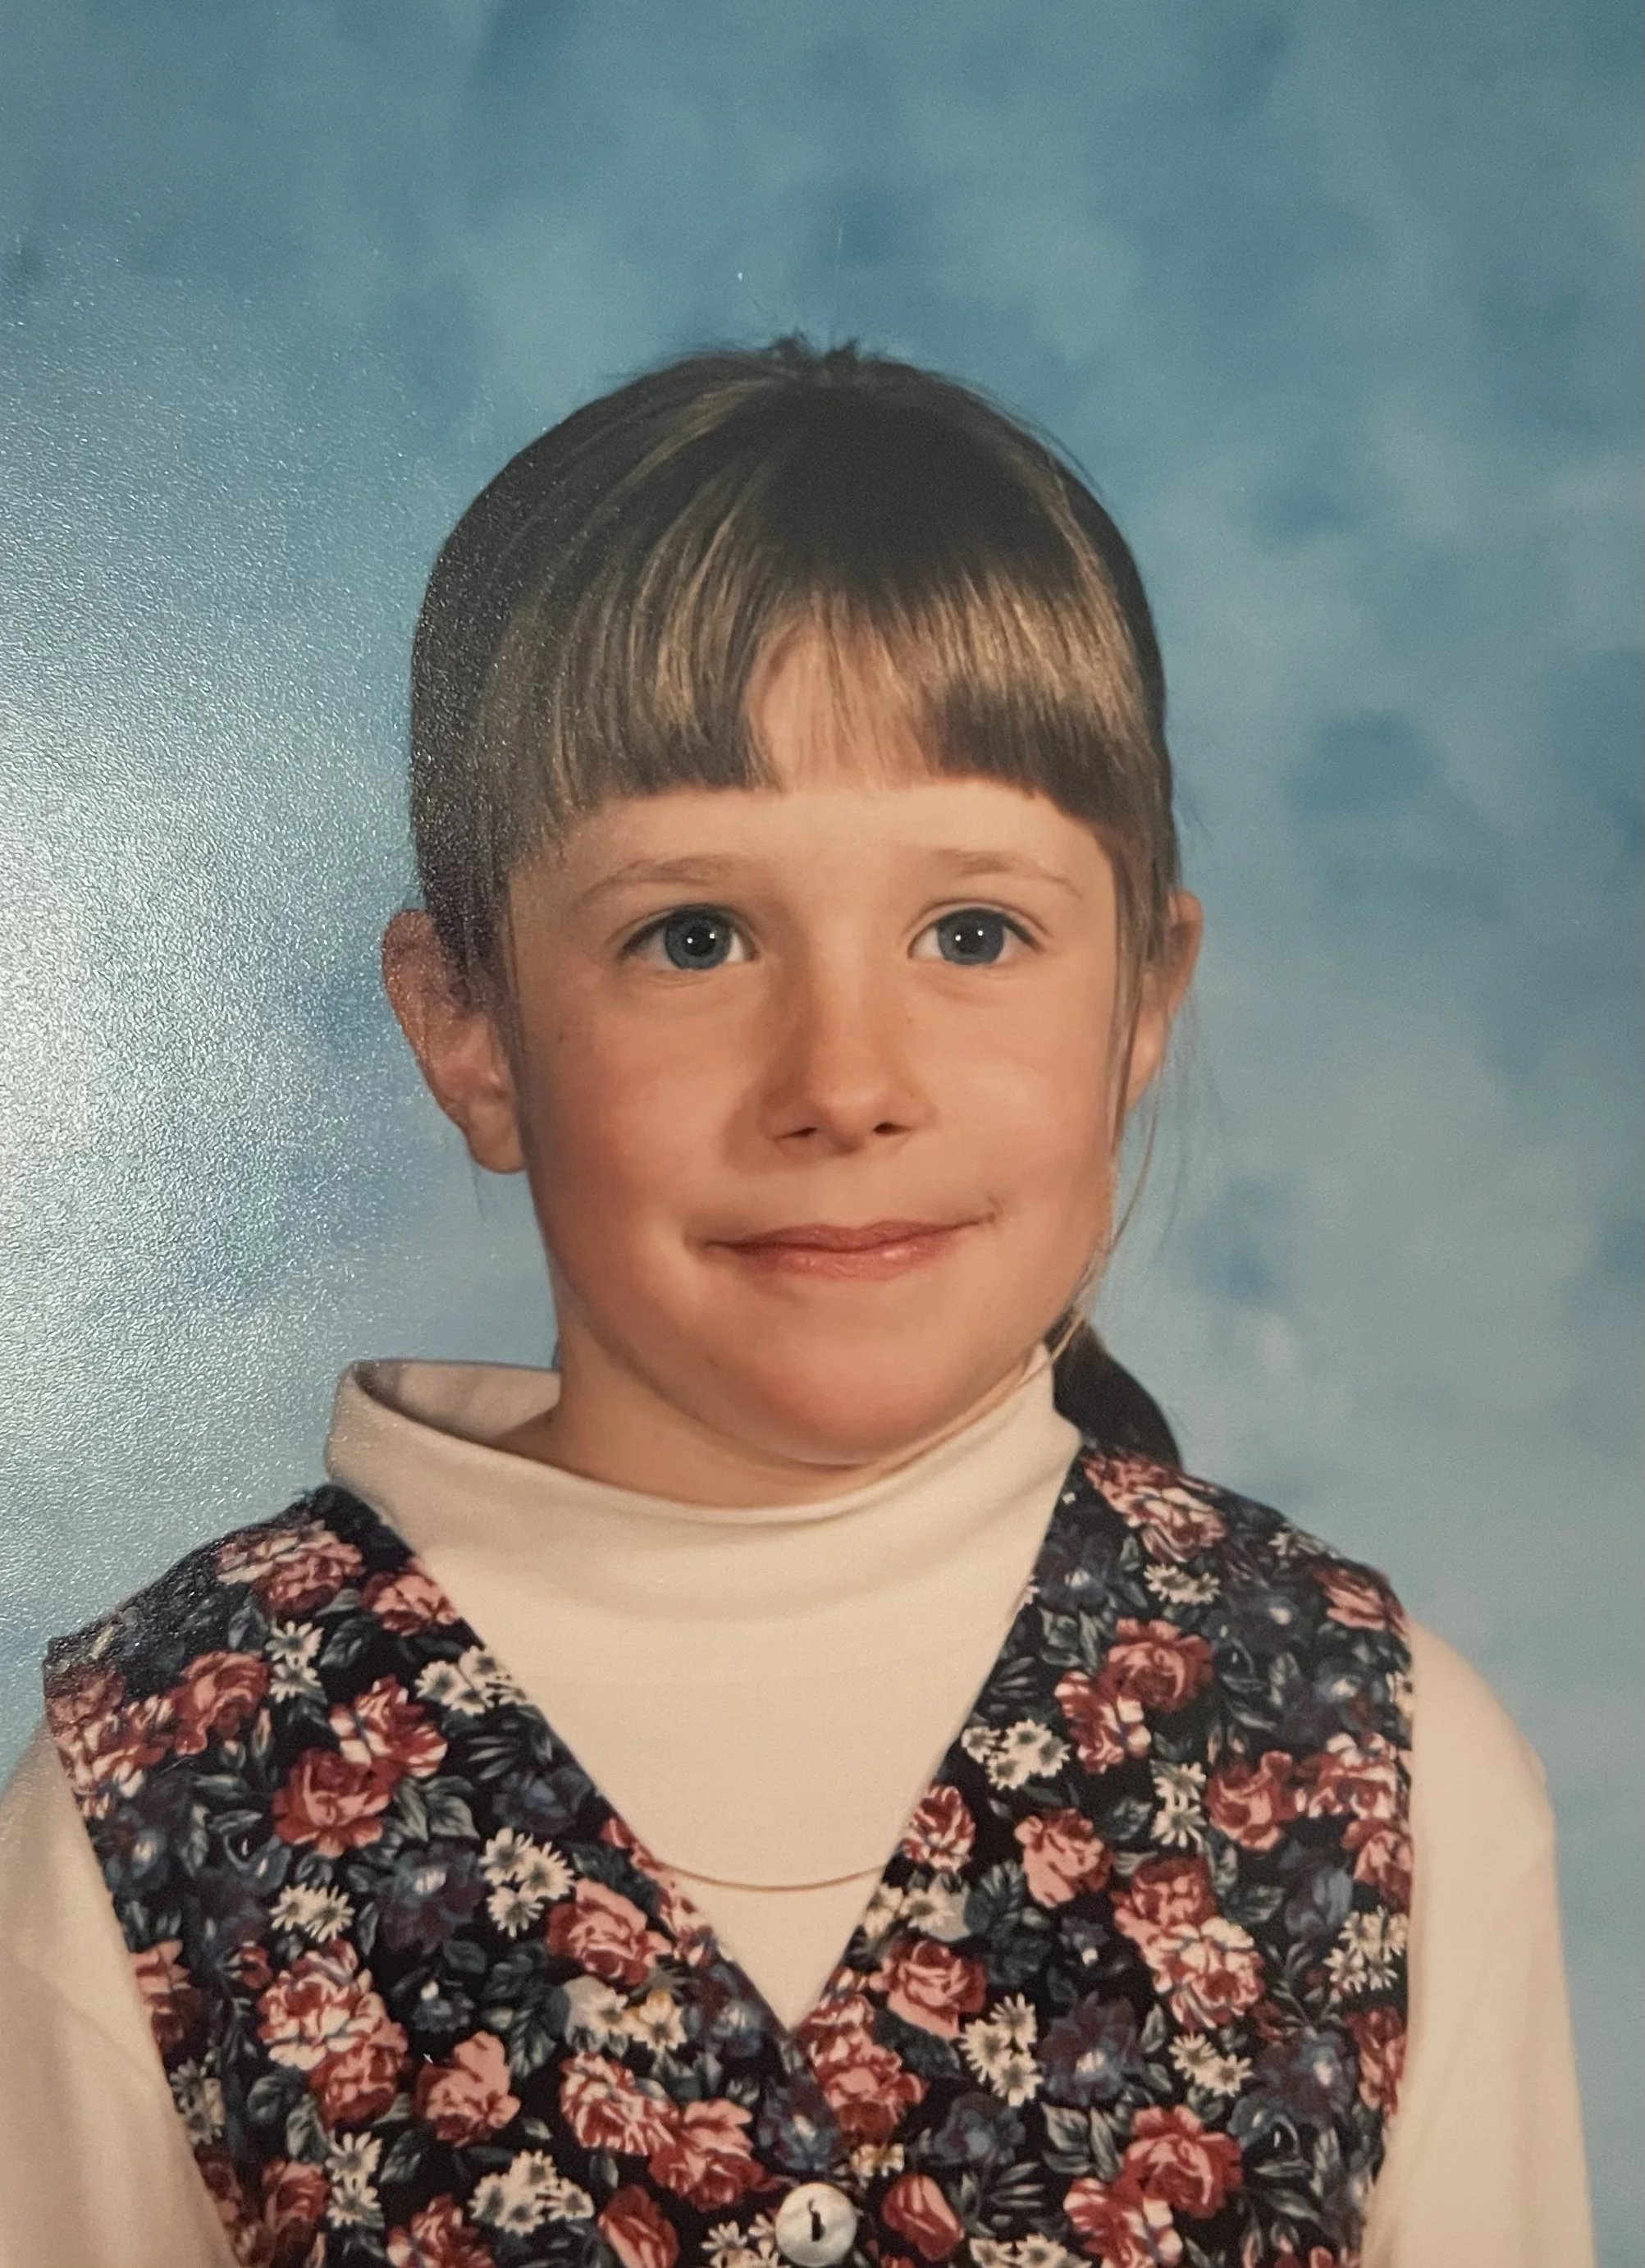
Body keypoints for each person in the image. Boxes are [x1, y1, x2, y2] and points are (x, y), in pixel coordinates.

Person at [0, 338, 1592, 2268]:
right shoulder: (172, 1787)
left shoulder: (1374, 1756)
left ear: (1143, 1000)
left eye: (973, 930)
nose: (844, 1077)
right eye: (695, 933)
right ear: (472, 1026)